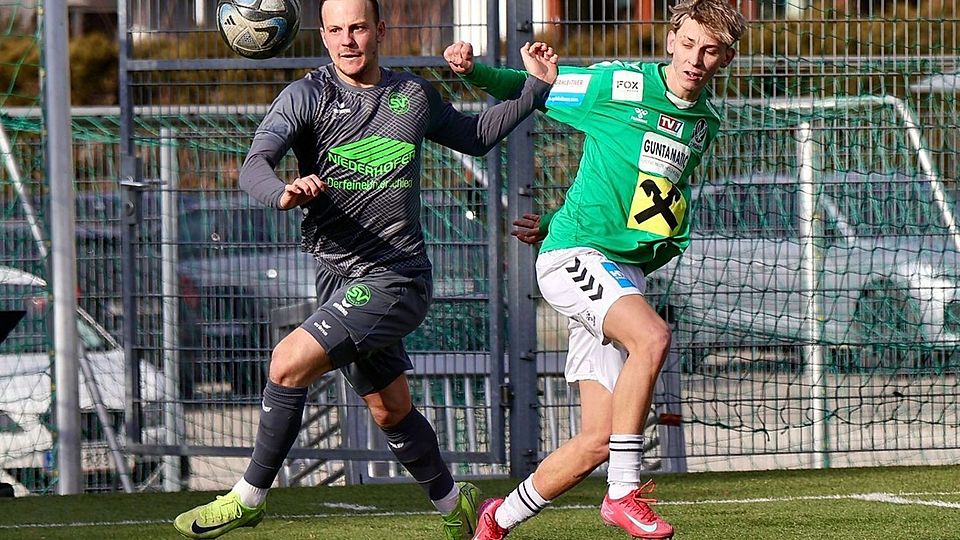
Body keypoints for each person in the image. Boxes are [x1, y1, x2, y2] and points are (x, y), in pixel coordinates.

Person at [173, 0, 558, 538]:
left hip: (396, 276)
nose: (347, 40)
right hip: (337, 277)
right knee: (390, 410)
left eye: (357, 27)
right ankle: (457, 507)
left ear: (379, 30)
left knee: (286, 363)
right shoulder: (306, 96)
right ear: (323, 35)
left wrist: (534, 89)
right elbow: (254, 164)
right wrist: (281, 190)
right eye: (335, 30)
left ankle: (248, 496)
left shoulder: (412, 95)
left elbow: (475, 135)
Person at [444, 1, 745, 538]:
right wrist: (474, 71)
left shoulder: (705, 124)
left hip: (622, 271)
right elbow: (535, 84)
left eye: (712, 50)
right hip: (576, 259)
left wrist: (560, 215)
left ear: (725, 59)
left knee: (597, 440)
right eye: (690, 43)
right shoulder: (620, 85)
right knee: (652, 338)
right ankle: (625, 492)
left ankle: (497, 519)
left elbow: (639, 193)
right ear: (671, 38)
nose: (697, 58)